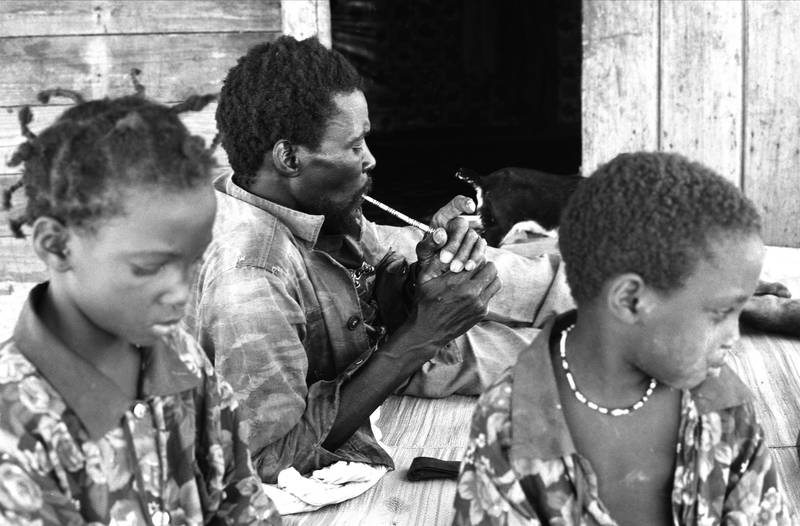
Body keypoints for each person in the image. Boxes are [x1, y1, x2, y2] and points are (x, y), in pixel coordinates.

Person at [184, 35, 574, 484]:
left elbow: (377, 274)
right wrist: (423, 335)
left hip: (373, 338)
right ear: (289, 156)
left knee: (507, 273)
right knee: (552, 356)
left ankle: (624, 306)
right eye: (354, 147)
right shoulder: (250, 282)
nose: (370, 159)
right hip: (364, 370)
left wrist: (416, 278)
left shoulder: (306, 197)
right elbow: (270, 461)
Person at [452, 152, 792, 525]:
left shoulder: (725, 409)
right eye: (719, 314)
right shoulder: (510, 424)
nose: (734, 336)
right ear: (630, 300)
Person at [0, 89, 281, 524]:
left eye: (194, 261)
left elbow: (242, 502)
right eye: (150, 267)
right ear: (56, 246)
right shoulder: (16, 433)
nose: (181, 291)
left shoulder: (183, 359)